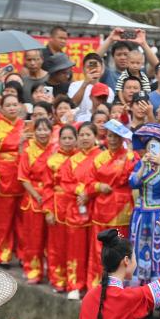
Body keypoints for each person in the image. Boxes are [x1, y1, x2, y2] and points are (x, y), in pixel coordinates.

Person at [129, 122, 160, 318]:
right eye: (150, 146)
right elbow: (132, 182)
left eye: (156, 146)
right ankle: (144, 302)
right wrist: (142, 164)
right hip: (142, 215)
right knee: (142, 257)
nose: (152, 149)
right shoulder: (141, 164)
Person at [87, 121, 139, 289]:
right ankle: (95, 285)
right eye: (110, 136)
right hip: (101, 208)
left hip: (121, 209)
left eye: (117, 136)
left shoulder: (131, 157)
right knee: (98, 249)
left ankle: (116, 287)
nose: (113, 139)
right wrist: (98, 186)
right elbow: (88, 181)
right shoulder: (99, 158)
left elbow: (136, 177)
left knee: (119, 250)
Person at [61, 123, 103, 299]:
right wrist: (81, 191)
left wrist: (90, 193)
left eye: (88, 134)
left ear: (95, 136)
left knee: (97, 251)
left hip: (98, 208)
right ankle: (74, 285)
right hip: (76, 208)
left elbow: (105, 179)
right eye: (82, 134)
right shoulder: (71, 160)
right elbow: (65, 182)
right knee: (75, 250)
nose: (85, 138)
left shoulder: (102, 157)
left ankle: (94, 286)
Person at [0, 93, 26, 267]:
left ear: (20, 106)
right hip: (4, 176)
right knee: (3, 219)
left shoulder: (26, 126)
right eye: (8, 105)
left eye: (14, 104)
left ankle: (24, 255)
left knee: (22, 219)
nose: (11, 108)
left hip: (23, 177)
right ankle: (3, 253)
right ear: (1, 108)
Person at [18, 117, 56, 283]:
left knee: (53, 240)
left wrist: (47, 196)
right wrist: (37, 195)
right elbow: (23, 178)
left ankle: (53, 273)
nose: (42, 133)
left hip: (52, 197)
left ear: (51, 131)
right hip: (33, 198)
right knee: (33, 238)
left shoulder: (56, 150)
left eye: (45, 129)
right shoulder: (28, 151)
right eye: (39, 129)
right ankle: (33, 271)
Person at [44, 124, 80, 292]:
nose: (67, 141)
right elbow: (47, 187)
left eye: (70, 138)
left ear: (76, 140)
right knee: (56, 247)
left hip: (76, 206)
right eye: (64, 138)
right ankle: (58, 280)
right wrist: (48, 210)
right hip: (57, 206)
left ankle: (73, 281)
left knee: (74, 247)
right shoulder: (52, 160)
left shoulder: (81, 159)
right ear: (59, 140)